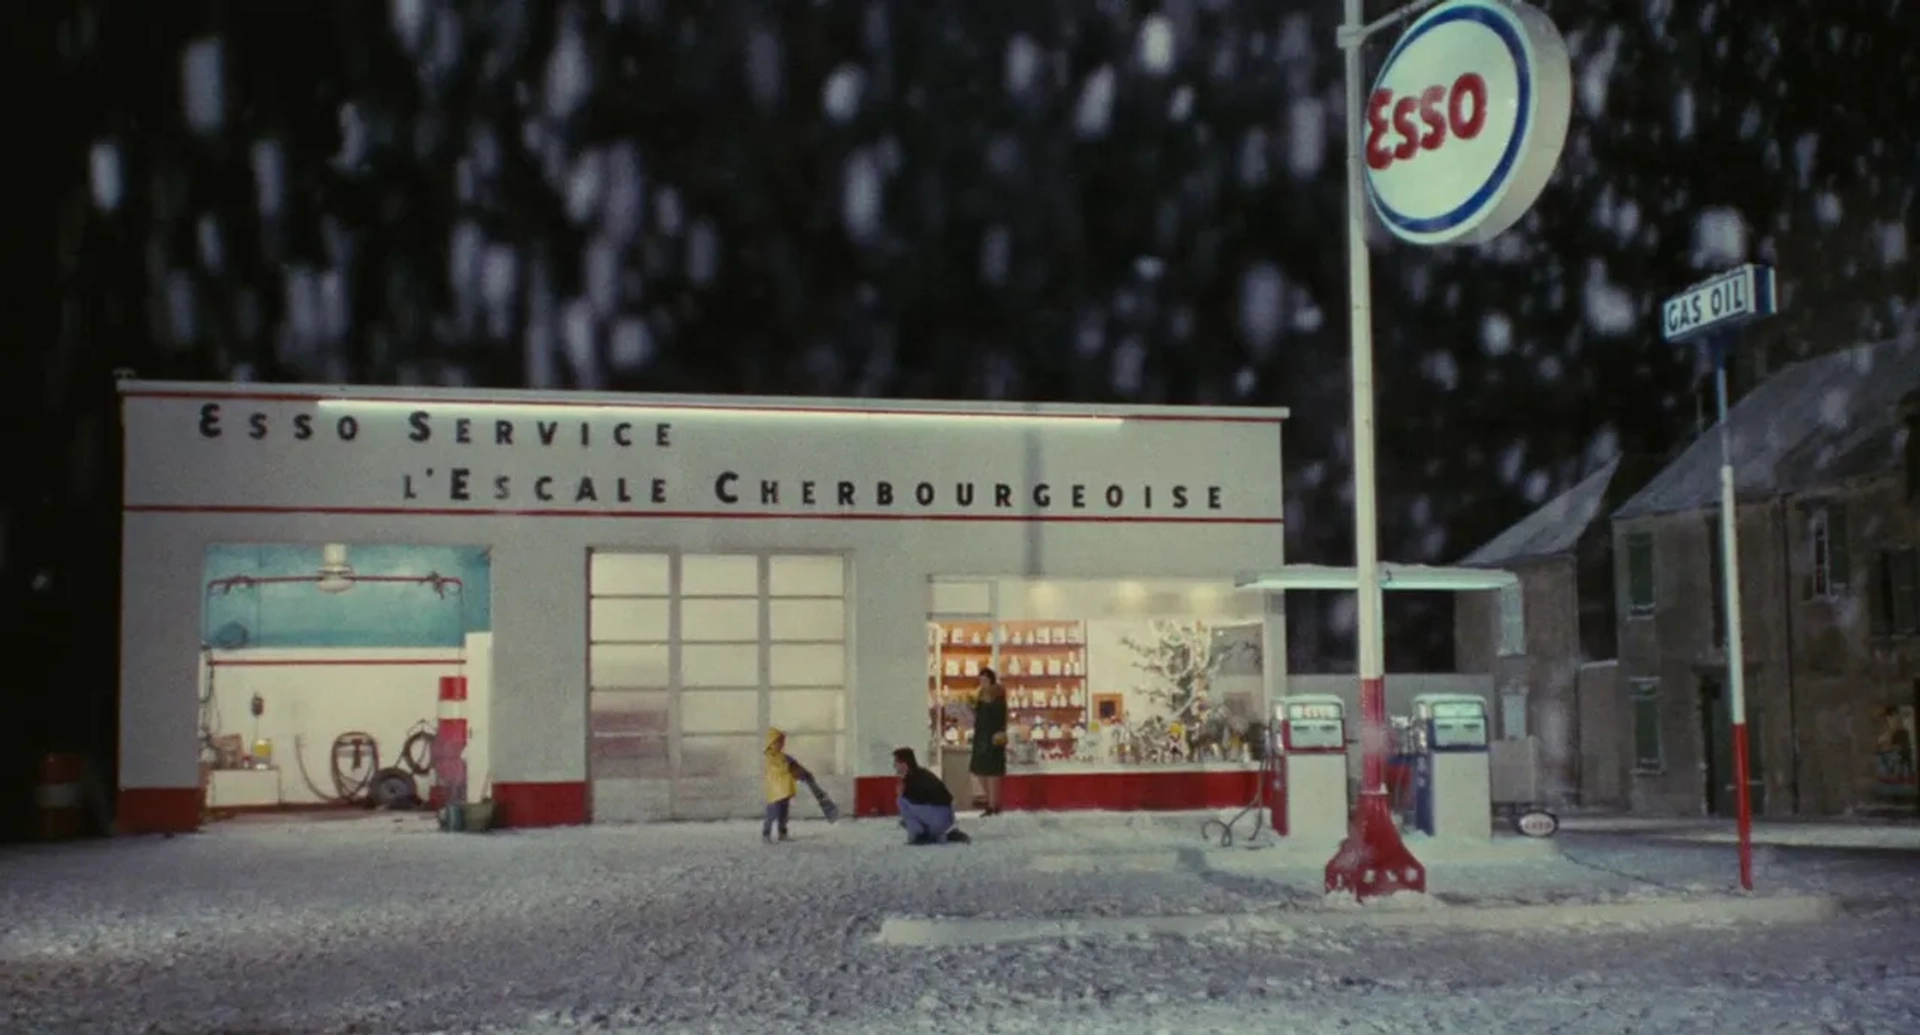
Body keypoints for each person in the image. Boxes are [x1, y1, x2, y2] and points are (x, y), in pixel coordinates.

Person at [893, 747, 970, 845]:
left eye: (896, 762)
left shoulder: (912, 780)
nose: (894, 766)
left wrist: (903, 793)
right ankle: (944, 833)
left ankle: (919, 835)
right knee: (906, 817)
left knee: (901, 801)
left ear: (904, 764)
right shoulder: (923, 774)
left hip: (937, 818)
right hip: (947, 817)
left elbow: (915, 802)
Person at [970, 668, 1009, 816]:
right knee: (979, 770)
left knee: (992, 772)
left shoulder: (998, 695)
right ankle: (990, 801)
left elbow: (1000, 718)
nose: (982, 683)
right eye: (980, 680)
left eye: (984, 680)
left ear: (991, 680)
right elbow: (978, 715)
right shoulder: (979, 696)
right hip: (981, 737)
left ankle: (993, 805)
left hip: (993, 738)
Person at [762, 727, 797, 843]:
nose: (782, 744)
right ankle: (766, 833)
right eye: (779, 741)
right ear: (773, 742)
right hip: (775, 791)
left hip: (784, 790)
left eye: (782, 742)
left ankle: (782, 832)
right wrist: (788, 766)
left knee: (783, 813)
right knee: (772, 813)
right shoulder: (770, 757)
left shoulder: (783, 756)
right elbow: (777, 770)